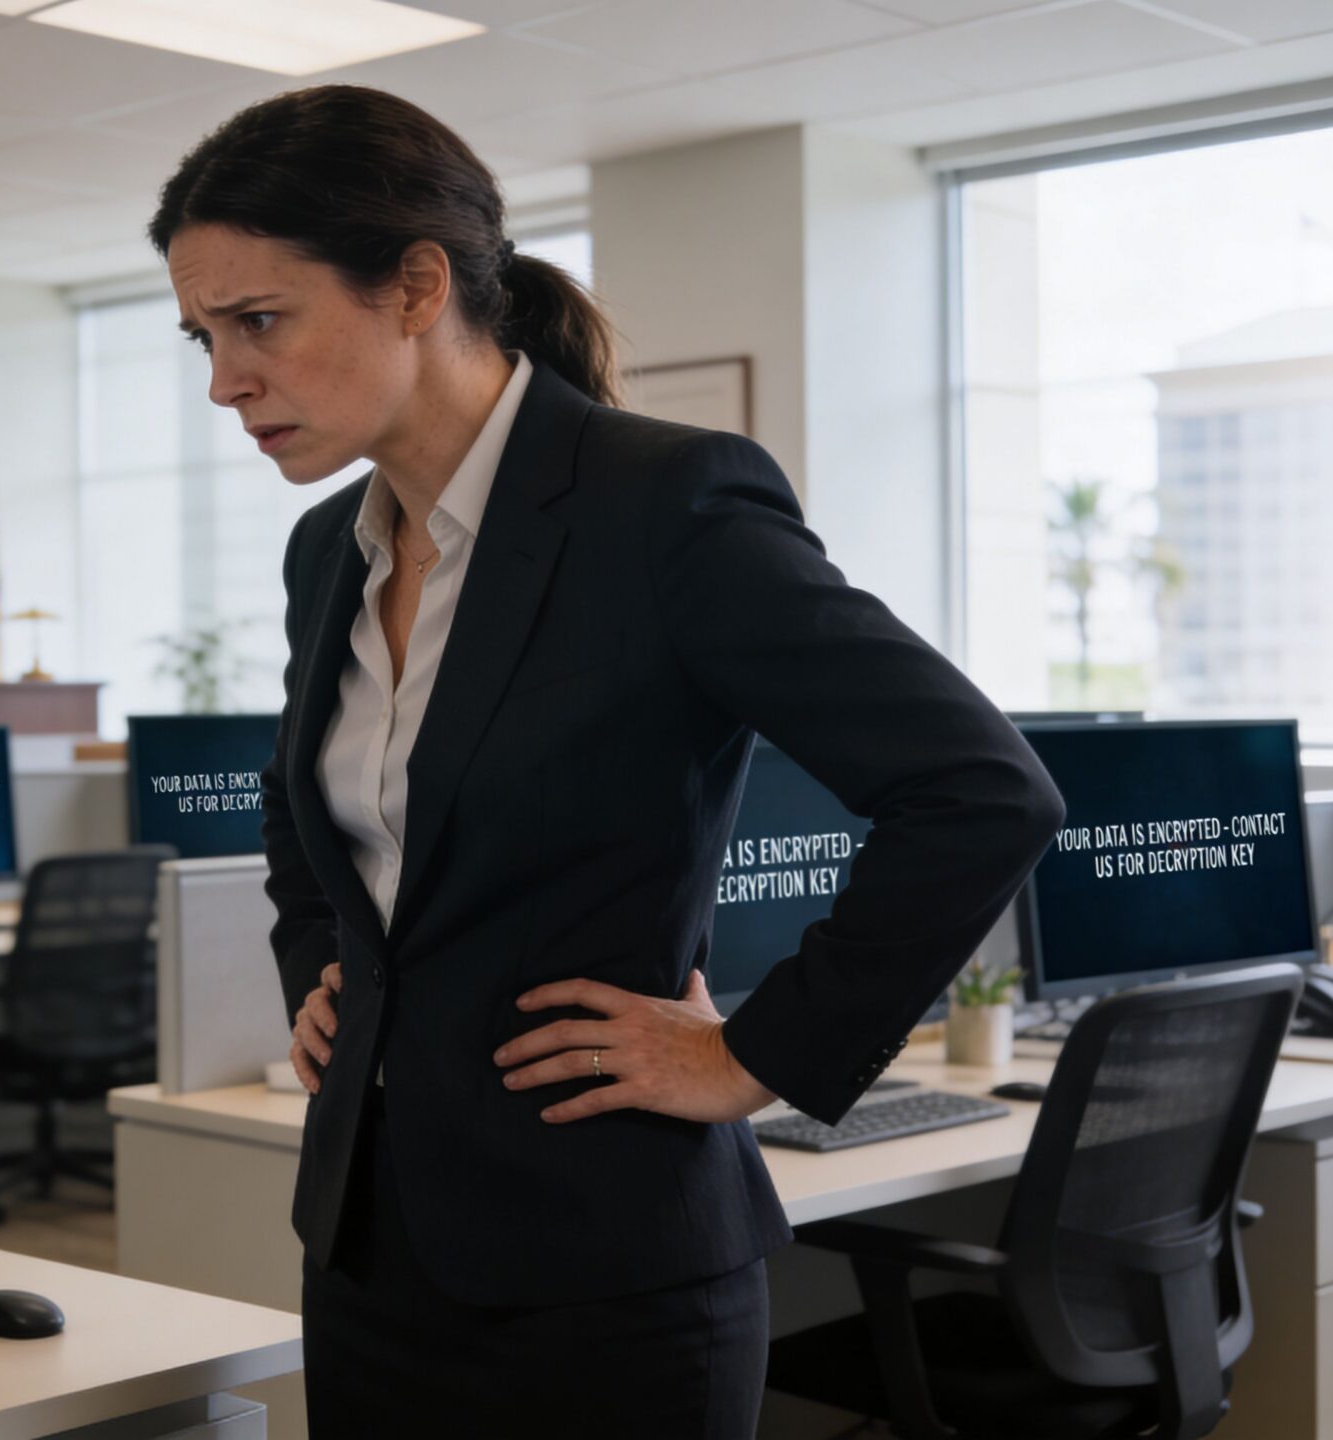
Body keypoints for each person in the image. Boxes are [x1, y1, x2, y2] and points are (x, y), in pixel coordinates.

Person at [147, 85, 1066, 1435]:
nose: (226, 379)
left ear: (416, 286)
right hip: (370, 1247)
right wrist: (318, 970)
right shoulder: (325, 551)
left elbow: (984, 792)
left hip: (605, 1266)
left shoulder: (665, 505)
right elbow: (308, 814)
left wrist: (756, 1054)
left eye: (259, 322)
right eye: (202, 336)